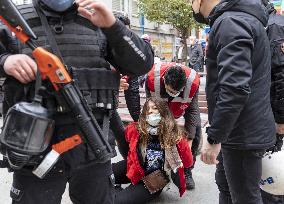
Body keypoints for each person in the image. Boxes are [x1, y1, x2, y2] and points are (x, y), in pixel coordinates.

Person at [0, 0, 153, 203]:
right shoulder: (13, 19)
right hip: (33, 145)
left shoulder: (97, 18)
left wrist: (113, 26)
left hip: (91, 145)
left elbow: (142, 65)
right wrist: (5, 61)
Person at [190, 0, 276, 203]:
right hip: (239, 131)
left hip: (242, 134)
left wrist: (214, 137)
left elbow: (234, 87)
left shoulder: (231, 21)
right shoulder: (238, 18)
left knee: (245, 197)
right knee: (227, 189)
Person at [112, 97, 193, 204]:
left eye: (154, 108)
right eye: (147, 109)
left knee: (118, 201)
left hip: (155, 179)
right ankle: (112, 189)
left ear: (164, 112)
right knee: (101, 174)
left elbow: (188, 162)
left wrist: (181, 147)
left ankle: (116, 192)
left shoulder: (176, 137)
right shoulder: (135, 129)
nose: (150, 111)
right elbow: (123, 137)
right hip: (135, 167)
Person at [145, 62, 201, 190]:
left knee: (196, 131)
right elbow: (151, 107)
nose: (173, 94)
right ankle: (156, 168)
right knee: (153, 134)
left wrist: (190, 139)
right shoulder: (152, 78)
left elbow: (192, 111)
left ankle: (187, 170)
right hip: (160, 108)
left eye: (176, 91)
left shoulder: (193, 82)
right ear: (164, 80)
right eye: (170, 90)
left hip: (180, 109)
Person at [261, 1, 284, 203]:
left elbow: (281, 74)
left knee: (273, 169)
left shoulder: (273, 25)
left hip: (271, 113)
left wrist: (280, 119)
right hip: (265, 109)